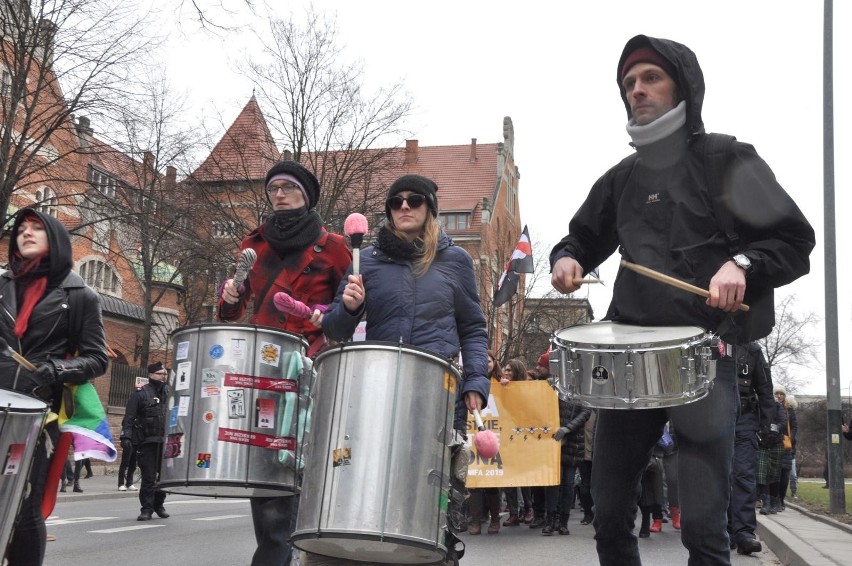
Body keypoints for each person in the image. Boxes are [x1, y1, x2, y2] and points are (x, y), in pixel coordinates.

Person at [549, 35, 815, 565]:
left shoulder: (725, 158)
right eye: (629, 83)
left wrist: (741, 265)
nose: (637, 91)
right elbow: (579, 238)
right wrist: (567, 259)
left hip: (705, 357)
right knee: (608, 514)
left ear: (683, 87)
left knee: (702, 527)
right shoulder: (622, 178)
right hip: (629, 360)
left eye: (651, 78)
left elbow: (793, 239)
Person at [323, 173, 490, 565]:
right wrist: (347, 307)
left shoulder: (455, 261)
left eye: (414, 200)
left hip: (440, 393)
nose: (404, 207)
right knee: (381, 494)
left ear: (429, 208)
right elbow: (334, 330)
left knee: (436, 499)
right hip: (380, 393)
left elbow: (473, 327)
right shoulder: (366, 261)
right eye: (396, 201)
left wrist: (477, 381)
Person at [218, 160, 351, 566]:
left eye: (288, 187)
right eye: (273, 187)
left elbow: (352, 312)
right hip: (263, 371)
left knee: (304, 473)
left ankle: (298, 551)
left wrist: (329, 316)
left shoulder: (332, 247)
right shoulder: (253, 244)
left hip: (313, 368)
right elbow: (232, 313)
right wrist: (228, 296)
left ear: (306, 195)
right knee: (269, 474)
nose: (279, 194)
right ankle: (276, 552)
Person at [1, 208, 108, 565]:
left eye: (36, 228)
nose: (25, 234)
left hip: (36, 416)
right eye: (21, 229)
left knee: (25, 506)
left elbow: (97, 359)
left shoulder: (80, 295)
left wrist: (55, 369)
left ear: (56, 239)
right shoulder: (1, 285)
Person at [726, 341, 774, 555]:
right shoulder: (703, 339)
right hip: (709, 421)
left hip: (744, 420)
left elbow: (765, 389)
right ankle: (723, 530)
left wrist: (769, 425)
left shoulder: (752, 349)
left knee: (744, 476)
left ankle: (744, 533)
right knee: (717, 477)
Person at [121, 361, 171, 521]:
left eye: (165, 374)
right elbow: (129, 417)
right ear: (151, 375)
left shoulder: (170, 393)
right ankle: (146, 508)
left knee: (164, 478)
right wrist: (126, 436)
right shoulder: (140, 394)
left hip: (166, 442)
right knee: (149, 477)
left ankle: (159, 504)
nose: (163, 377)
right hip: (147, 441)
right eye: (160, 374)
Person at [543, 378, 590, 536]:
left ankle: (563, 521)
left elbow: (585, 412)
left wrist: (567, 429)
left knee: (568, 483)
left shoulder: (580, 387)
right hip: (552, 439)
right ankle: (550, 520)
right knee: (553, 483)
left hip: (572, 442)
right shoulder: (551, 384)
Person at [468, 350, 503, 536]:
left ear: (494, 362)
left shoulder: (500, 383)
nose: (486, 364)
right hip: (472, 436)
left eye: (488, 361)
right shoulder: (469, 380)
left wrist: (508, 386)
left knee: (491, 481)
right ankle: (475, 520)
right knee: (473, 479)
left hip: (493, 438)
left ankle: (495, 519)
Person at [497, 358, 533, 527]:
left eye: (510, 370)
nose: (507, 373)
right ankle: (513, 513)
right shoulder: (501, 387)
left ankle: (528, 508)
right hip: (505, 437)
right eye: (506, 370)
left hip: (522, 438)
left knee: (523, 476)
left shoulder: (528, 389)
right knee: (509, 477)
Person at [775, 386, 797, 510]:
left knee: (785, 475)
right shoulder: (772, 408)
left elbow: (794, 426)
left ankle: (781, 499)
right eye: (776, 394)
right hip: (774, 443)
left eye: (781, 394)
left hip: (787, 446)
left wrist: (791, 438)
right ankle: (775, 499)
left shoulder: (789, 410)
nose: (779, 396)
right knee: (775, 474)